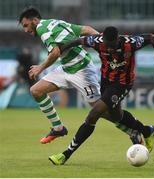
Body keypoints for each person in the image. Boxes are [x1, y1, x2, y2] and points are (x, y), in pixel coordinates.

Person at [19, 8, 141, 145]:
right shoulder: (55, 23)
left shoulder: (42, 28)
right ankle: (58, 128)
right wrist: (102, 39)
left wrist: (40, 68)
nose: (25, 30)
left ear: (34, 20)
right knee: (36, 90)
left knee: (101, 110)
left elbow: (55, 52)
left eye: (26, 25)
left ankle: (133, 131)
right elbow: (86, 29)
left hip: (82, 69)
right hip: (66, 67)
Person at [49, 26, 154, 165]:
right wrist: (60, 50)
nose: (109, 49)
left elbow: (152, 38)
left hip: (122, 84)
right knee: (117, 117)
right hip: (106, 82)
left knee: (93, 114)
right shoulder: (97, 41)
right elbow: (78, 41)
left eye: (112, 46)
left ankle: (65, 155)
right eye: (107, 45)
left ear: (117, 39)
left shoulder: (131, 43)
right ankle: (147, 130)